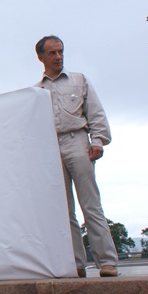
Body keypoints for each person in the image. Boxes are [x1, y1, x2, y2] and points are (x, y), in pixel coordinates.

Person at [35, 35, 119, 278]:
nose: (58, 57)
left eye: (60, 51)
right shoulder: (36, 91)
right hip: (51, 147)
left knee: (90, 204)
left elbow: (95, 112)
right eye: (52, 53)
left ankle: (107, 261)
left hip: (78, 141)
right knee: (64, 210)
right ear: (41, 57)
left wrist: (99, 141)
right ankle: (75, 263)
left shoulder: (79, 80)